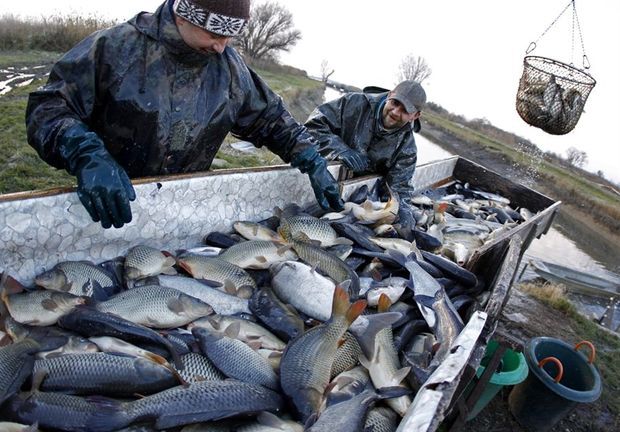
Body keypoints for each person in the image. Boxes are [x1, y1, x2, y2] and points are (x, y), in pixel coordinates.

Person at [25, 0, 343, 229]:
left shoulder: (232, 70)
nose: (222, 47)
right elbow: (48, 109)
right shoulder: (115, 47)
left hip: (182, 209)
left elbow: (272, 121)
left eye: (229, 37)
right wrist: (86, 155)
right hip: (109, 203)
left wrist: (311, 158)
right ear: (184, 15)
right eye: (214, 35)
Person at [304, 80, 427, 229]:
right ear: (389, 95)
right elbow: (312, 126)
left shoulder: (407, 147)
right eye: (395, 103)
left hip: (359, 202)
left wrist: (403, 210)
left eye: (404, 110)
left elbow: (399, 186)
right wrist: (339, 149)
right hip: (321, 178)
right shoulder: (354, 103)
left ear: (415, 115)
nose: (395, 112)